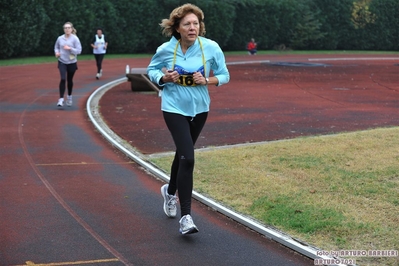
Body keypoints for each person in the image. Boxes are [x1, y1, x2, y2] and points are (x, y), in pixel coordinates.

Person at [147, 3, 230, 235]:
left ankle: (169, 191)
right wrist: (164, 77)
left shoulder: (211, 48)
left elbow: (225, 75)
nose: (193, 28)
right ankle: (186, 217)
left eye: (196, 23)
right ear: (178, 28)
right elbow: (152, 70)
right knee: (189, 158)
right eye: (187, 24)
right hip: (173, 108)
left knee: (182, 155)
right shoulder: (166, 49)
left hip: (200, 109)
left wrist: (208, 81)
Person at [54, 22, 82, 107]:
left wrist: (70, 48)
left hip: (72, 62)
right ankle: (61, 99)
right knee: (63, 79)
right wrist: (57, 53)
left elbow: (79, 50)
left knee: (69, 80)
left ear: (71, 29)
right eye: (65, 28)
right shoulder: (60, 38)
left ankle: (69, 96)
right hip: (62, 61)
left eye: (69, 28)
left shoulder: (75, 39)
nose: (67, 29)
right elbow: (56, 47)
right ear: (63, 29)